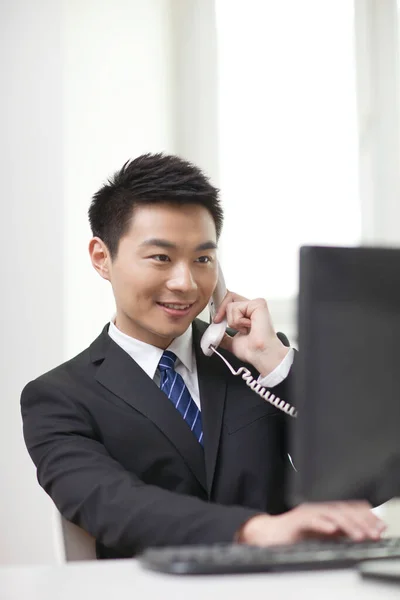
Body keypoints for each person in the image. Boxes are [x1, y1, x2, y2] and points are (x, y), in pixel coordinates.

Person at [21, 153, 385, 559]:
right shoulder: (57, 398)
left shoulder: (251, 363)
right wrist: (258, 530)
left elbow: (378, 477)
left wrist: (275, 361)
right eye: (161, 257)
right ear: (102, 257)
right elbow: (111, 504)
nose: (186, 283)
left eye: (203, 259)